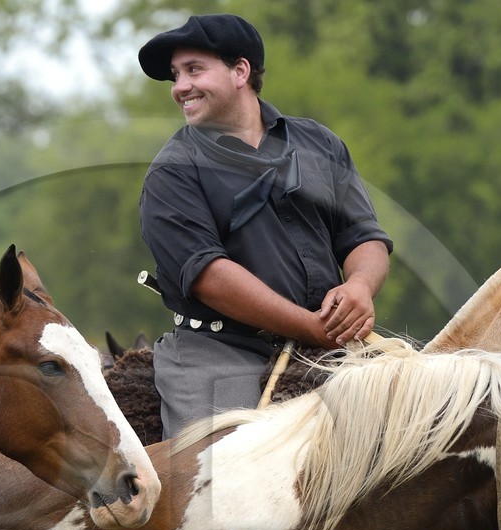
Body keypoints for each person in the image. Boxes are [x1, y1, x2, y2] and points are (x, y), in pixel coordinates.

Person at [137, 13, 393, 438]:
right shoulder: (171, 173)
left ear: (240, 71)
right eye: (175, 75)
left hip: (327, 344)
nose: (180, 86)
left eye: (194, 70)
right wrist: (309, 326)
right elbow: (209, 276)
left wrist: (360, 287)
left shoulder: (320, 143)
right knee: (217, 483)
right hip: (218, 354)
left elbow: (364, 236)